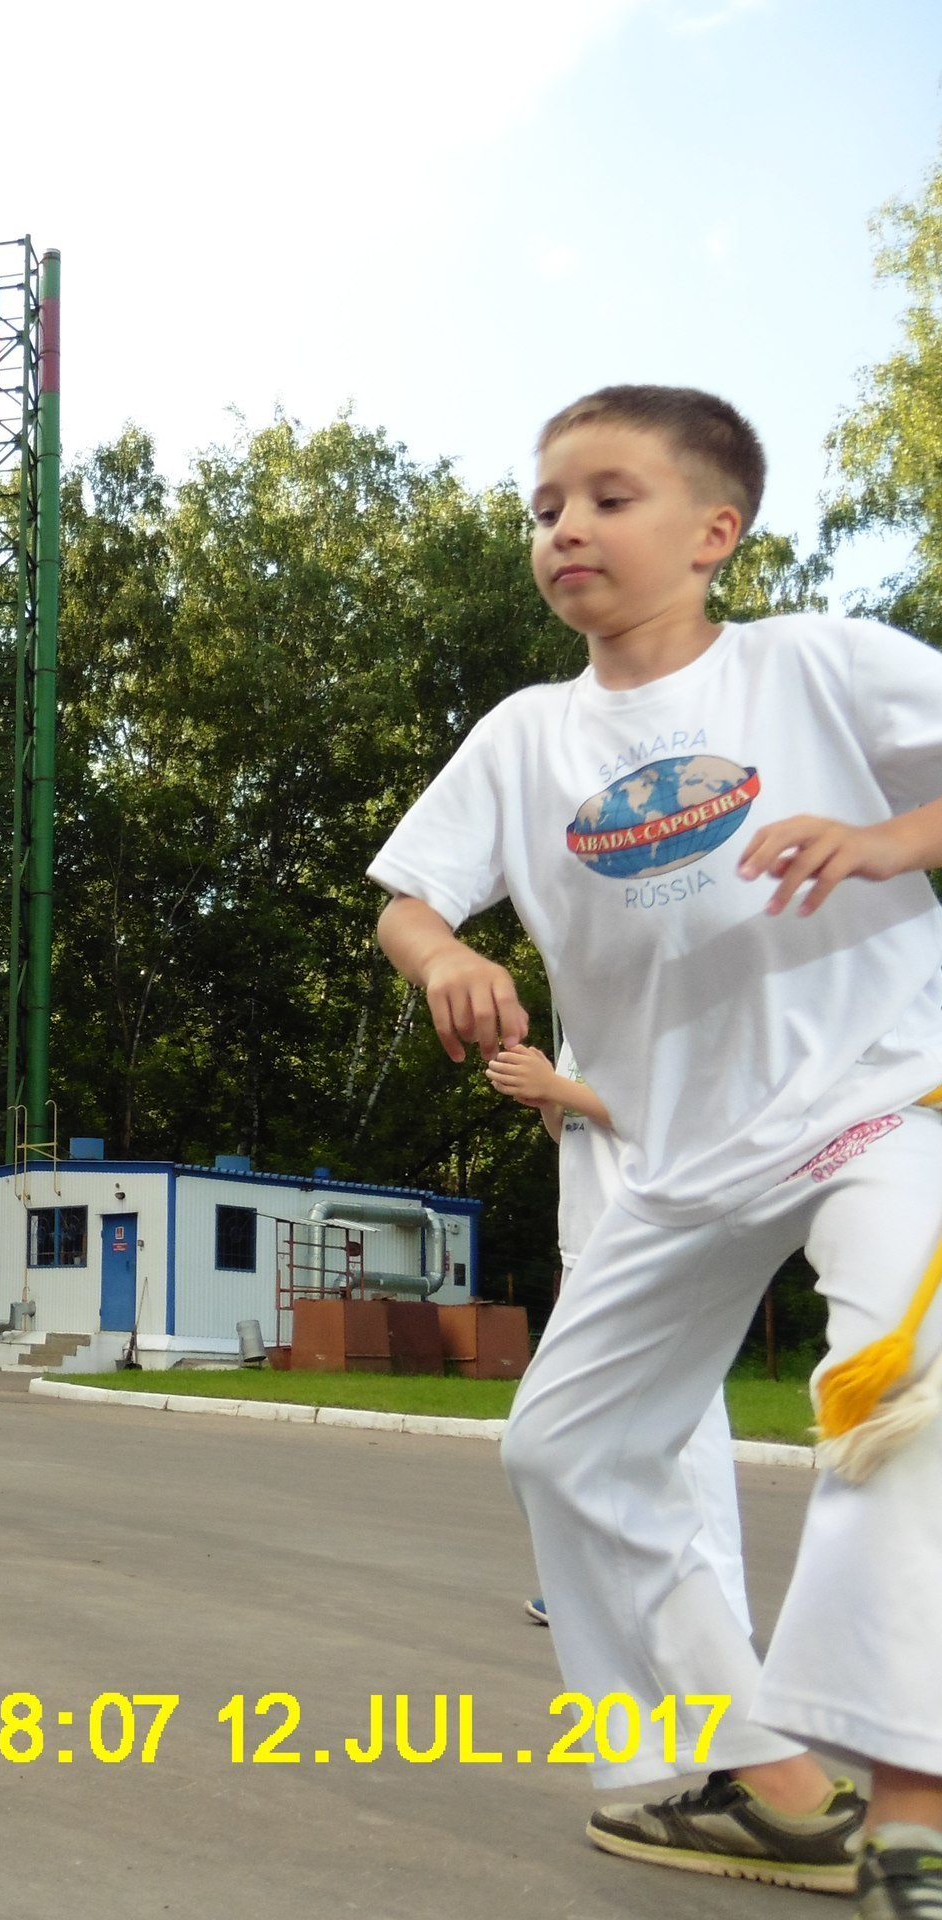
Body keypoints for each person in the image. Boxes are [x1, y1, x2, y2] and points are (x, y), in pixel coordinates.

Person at [370, 385, 942, 1915]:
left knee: (898, 1390)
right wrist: (443, 956)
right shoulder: (525, 736)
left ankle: (915, 1804)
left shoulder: (814, 663)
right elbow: (409, 899)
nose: (565, 527)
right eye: (544, 506)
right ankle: (757, 1780)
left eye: (608, 497)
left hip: (884, 1096)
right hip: (679, 1154)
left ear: (713, 532)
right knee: (570, 1447)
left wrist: (892, 840)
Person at [486, 1039, 750, 1636]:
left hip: (654, 1248)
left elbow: (675, 1122)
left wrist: (556, 1086)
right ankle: (594, 1588)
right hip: (587, 1249)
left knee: (690, 1437)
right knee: (565, 1434)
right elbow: (571, 1133)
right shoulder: (577, 1029)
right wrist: (546, 1098)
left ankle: (722, 1612)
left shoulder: (661, 1010)